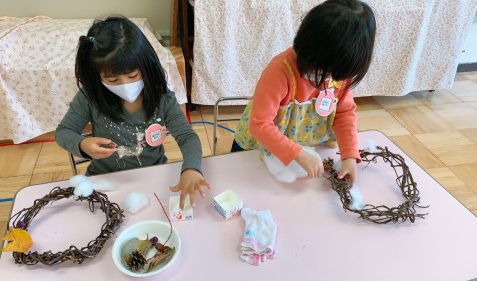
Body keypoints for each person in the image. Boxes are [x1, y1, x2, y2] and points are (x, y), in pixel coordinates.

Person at [56, 15, 210, 208]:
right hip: (105, 179)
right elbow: (63, 132)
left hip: (153, 175)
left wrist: (192, 168)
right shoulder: (90, 96)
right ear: (97, 76)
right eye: (113, 81)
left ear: (146, 66)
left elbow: (187, 137)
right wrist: (82, 144)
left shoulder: (162, 98)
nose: (125, 85)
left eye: (132, 75)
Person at [233, 0, 376, 183]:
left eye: (333, 74)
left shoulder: (340, 71)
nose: (326, 79)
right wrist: (297, 154)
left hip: (309, 149)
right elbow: (260, 124)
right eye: (319, 70)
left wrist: (349, 155)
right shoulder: (279, 72)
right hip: (262, 150)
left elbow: (344, 113)